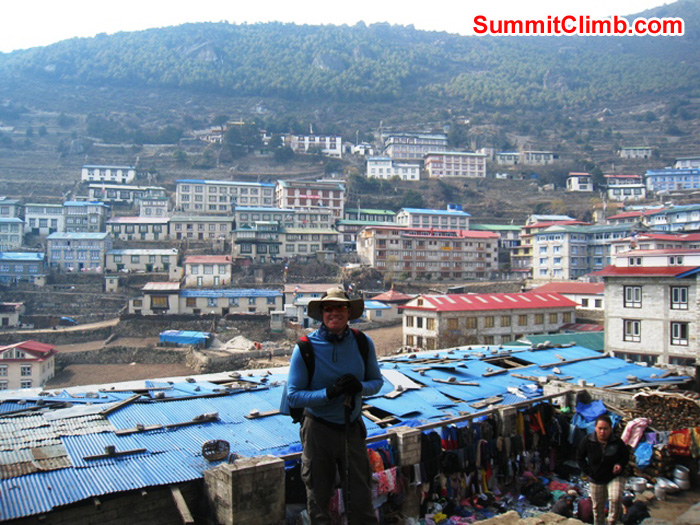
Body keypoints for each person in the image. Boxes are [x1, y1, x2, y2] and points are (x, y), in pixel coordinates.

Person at [287, 286, 384, 524]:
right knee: (319, 499)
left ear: (349, 311)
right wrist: (328, 393)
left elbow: (377, 382)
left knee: (361, 497)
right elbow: (294, 396)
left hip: (352, 427)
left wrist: (359, 387)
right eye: (328, 308)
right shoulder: (305, 348)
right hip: (318, 429)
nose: (334, 313)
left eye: (340, 307)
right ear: (321, 314)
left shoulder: (363, 343)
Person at [576, 414, 630, 525]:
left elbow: (625, 456)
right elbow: (579, 457)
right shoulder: (588, 441)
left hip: (614, 476)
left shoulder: (617, 442)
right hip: (596, 478)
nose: (602, 432)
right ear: (595, 428)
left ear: (610, 429)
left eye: (605, 429)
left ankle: (612, 521)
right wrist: (588, 471)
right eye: (600, 428)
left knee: (615, 498)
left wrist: (620, 464)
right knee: (597, 508)